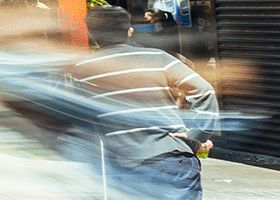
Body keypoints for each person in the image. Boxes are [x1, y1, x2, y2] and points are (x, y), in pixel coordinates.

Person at [63, 6, 214, 199]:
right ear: (129, 31)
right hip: (173, 160)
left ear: (92, 34)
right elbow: (204, 90)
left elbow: (85, 120)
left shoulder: (82, 70)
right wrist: (198, 134)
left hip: (125, 165)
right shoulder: (158, 58)